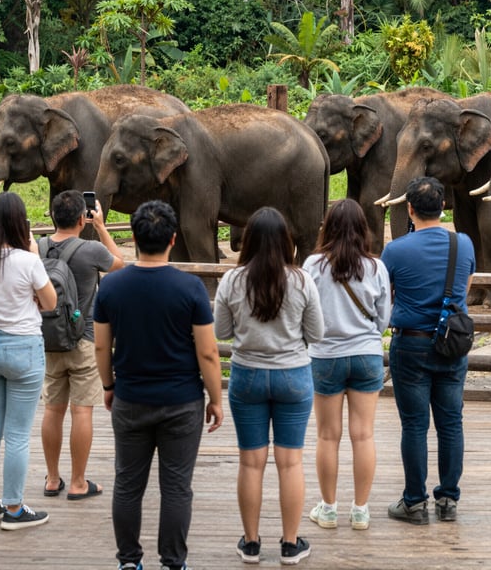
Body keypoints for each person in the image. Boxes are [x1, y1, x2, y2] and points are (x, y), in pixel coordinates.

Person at [93, 200, 223, 570]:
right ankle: (173, 561)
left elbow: (102, 344)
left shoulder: (112, 287)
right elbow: (208, 353)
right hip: (182, 401)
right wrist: (215, 399)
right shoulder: (191, 288)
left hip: (130, 397)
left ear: (133, 237)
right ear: (173, 239)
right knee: (177, 486)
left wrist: (108, 385)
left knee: (128, 484)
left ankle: (129, 561)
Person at [214, 207, 324, 566]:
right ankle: (290, 545)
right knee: (290, 463)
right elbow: (317, 334)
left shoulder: (232, 280)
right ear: (286, 242)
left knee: (251, 462)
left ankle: (250, 543)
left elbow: (221, 332)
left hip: (247, 376)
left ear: (247, 242)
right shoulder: (302, 280)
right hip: (293, 376)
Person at [380, 176, 475, 525]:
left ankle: (414, 501)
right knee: (451, 422)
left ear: (409, 209)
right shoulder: (462, 244)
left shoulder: (395, 250)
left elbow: (384, 294)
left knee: (414, 425)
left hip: (411, 344)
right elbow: (465, 288)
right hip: (452, 343)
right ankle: (448, 499)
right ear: (444, 207)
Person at [0, 191, 57, 530]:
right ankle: (16, 510)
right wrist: (34, 253)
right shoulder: (27, 260)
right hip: (23, 350)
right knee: (17, 434)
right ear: (22, 223)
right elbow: (49, 303)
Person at [302, 199, 391, 531]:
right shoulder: (376, 267)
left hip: (325, 356)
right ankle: (361, 511)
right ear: (362, 230)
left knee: (328, 437)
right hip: (366, 355)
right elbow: (383, 319)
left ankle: (328, 509)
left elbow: (305, 315)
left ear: (328, 227)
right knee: (363, 435)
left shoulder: (312, 266)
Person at [41, 189, 125, 500]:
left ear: (52, 217)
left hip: (49, 339)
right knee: (81, 412)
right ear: (82, 218)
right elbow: (120, 265)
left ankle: (52, 479)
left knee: (52, 409)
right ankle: (78, 482)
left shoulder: (39, 248)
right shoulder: (91, 250)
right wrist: (101, 227)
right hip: (84, 339)